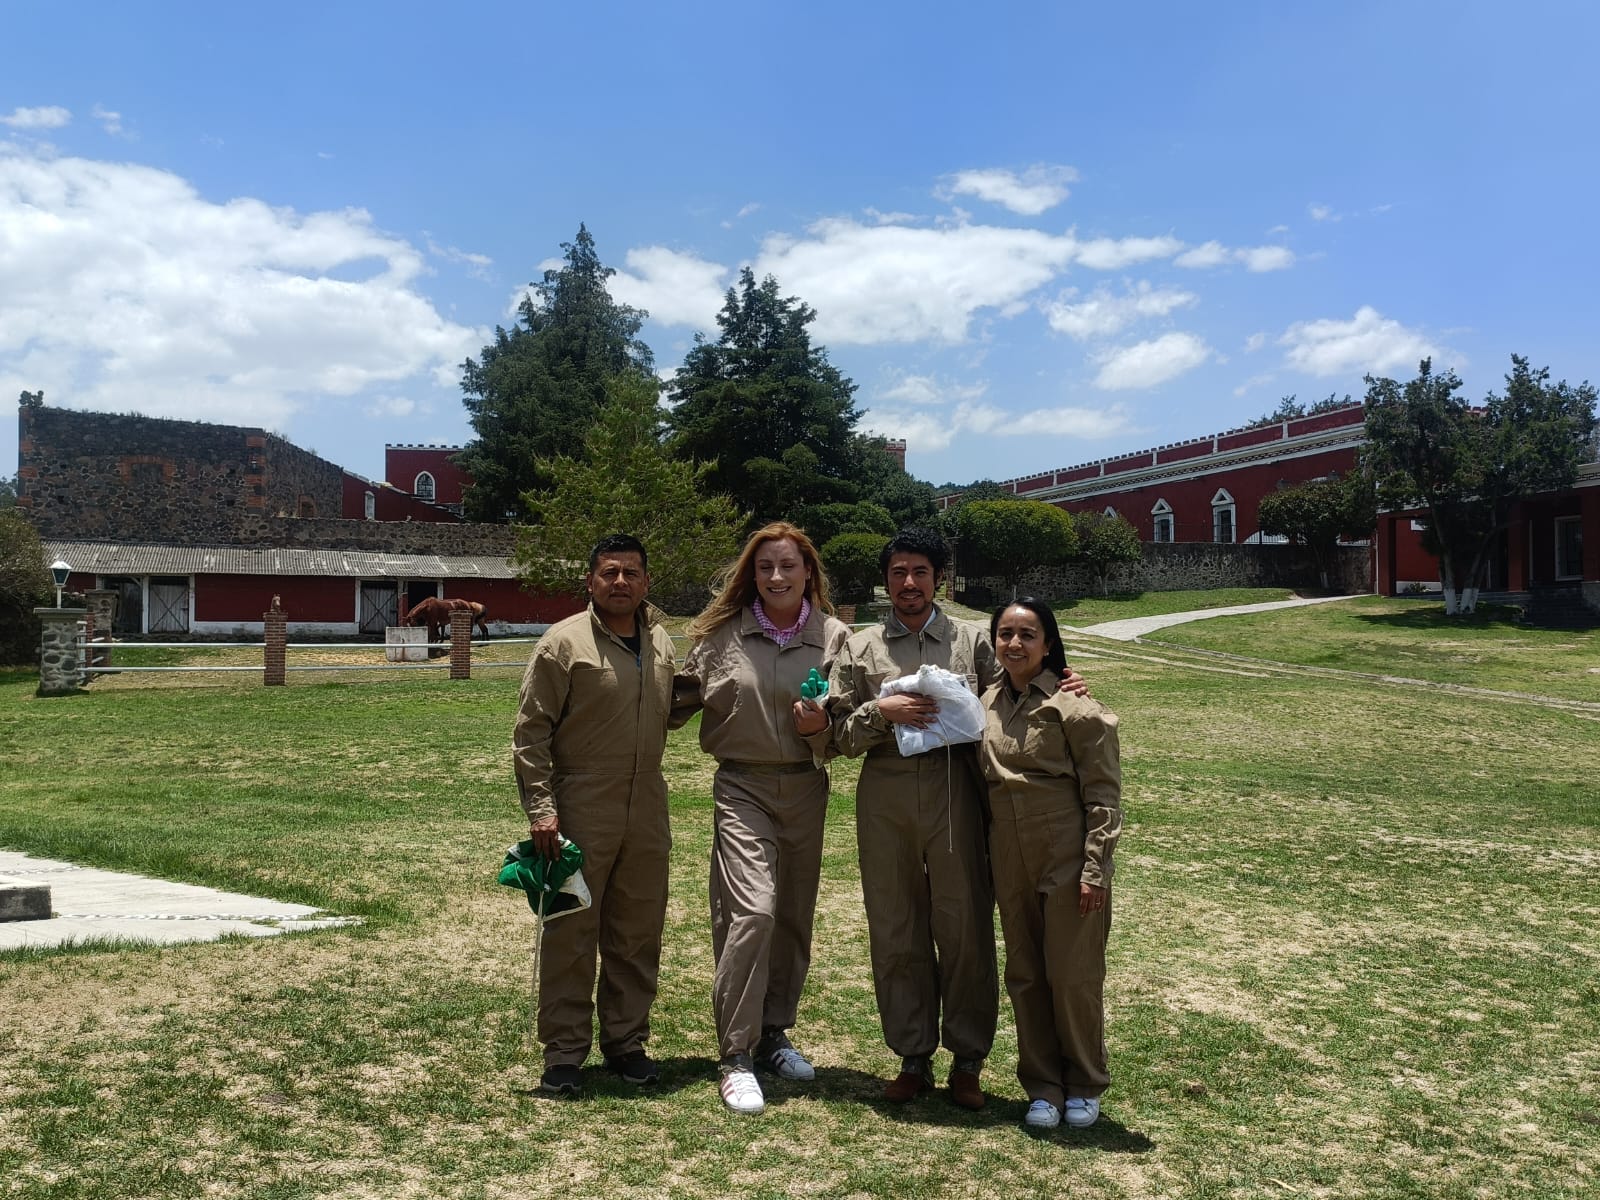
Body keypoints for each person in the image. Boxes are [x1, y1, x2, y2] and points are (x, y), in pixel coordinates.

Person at [825, 528, 1087, 1111]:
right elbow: (837, 737)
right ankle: (911, 1054)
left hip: (959, 793)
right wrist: (880, 710)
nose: (909, 583)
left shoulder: (974, 641)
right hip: (886, 795)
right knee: (896, 928)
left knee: (964, 927)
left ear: (938, 578)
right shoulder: (860, 648)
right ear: (885, 580)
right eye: (898, 573)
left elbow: (1020, 691)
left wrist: (1063, 682)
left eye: (920, 572)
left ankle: (968, 1058)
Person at [673, 522, 851, 1115]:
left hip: (807, 788)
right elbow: (665, 698)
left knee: (793, 917)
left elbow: (856, 718)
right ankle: (736, 1056)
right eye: (765, 567)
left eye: (788, 566)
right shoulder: (722, 635)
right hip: (742, 786)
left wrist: (820, 729)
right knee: (753, 912)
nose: (776, 577)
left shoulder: (836, 638)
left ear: (809, 574)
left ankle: (774, 1034)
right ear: (753, 574)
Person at [512, 533, 677, 1096]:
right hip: (580, 804)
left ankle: (627, 1043)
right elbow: (531, 733)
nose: (621, 582)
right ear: (590, 581)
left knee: (636, 932)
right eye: (609, 572)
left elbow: (664, 706)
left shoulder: (661, 641)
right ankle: (563, 1053)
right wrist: (542, 810)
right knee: (571, 932)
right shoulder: (563, 644)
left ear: (647, 581)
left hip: (648, 804)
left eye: (632, 572)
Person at [981, 598, 1122, 1131]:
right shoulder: (986, 700)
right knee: (1025, 972)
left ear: (1047, 643)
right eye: (1006, 633)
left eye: (1027, 634)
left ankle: (1084, 1082)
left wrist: (1095, 869)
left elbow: (1104, 795)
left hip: (1064, 846)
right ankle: (1042, 1085)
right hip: (1007, 849)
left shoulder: (1076, 707)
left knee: (1072, 974)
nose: (1014, 644)